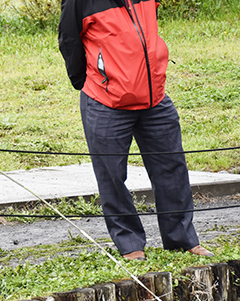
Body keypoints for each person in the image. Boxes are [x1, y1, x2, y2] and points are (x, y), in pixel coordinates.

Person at [58, 0, 213, 261]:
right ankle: (130, 245)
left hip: (155, 98)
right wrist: (88, 82)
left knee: (172, 168)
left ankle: (182, 239)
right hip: (105, 100)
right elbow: (68, 39)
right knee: (112, 176)